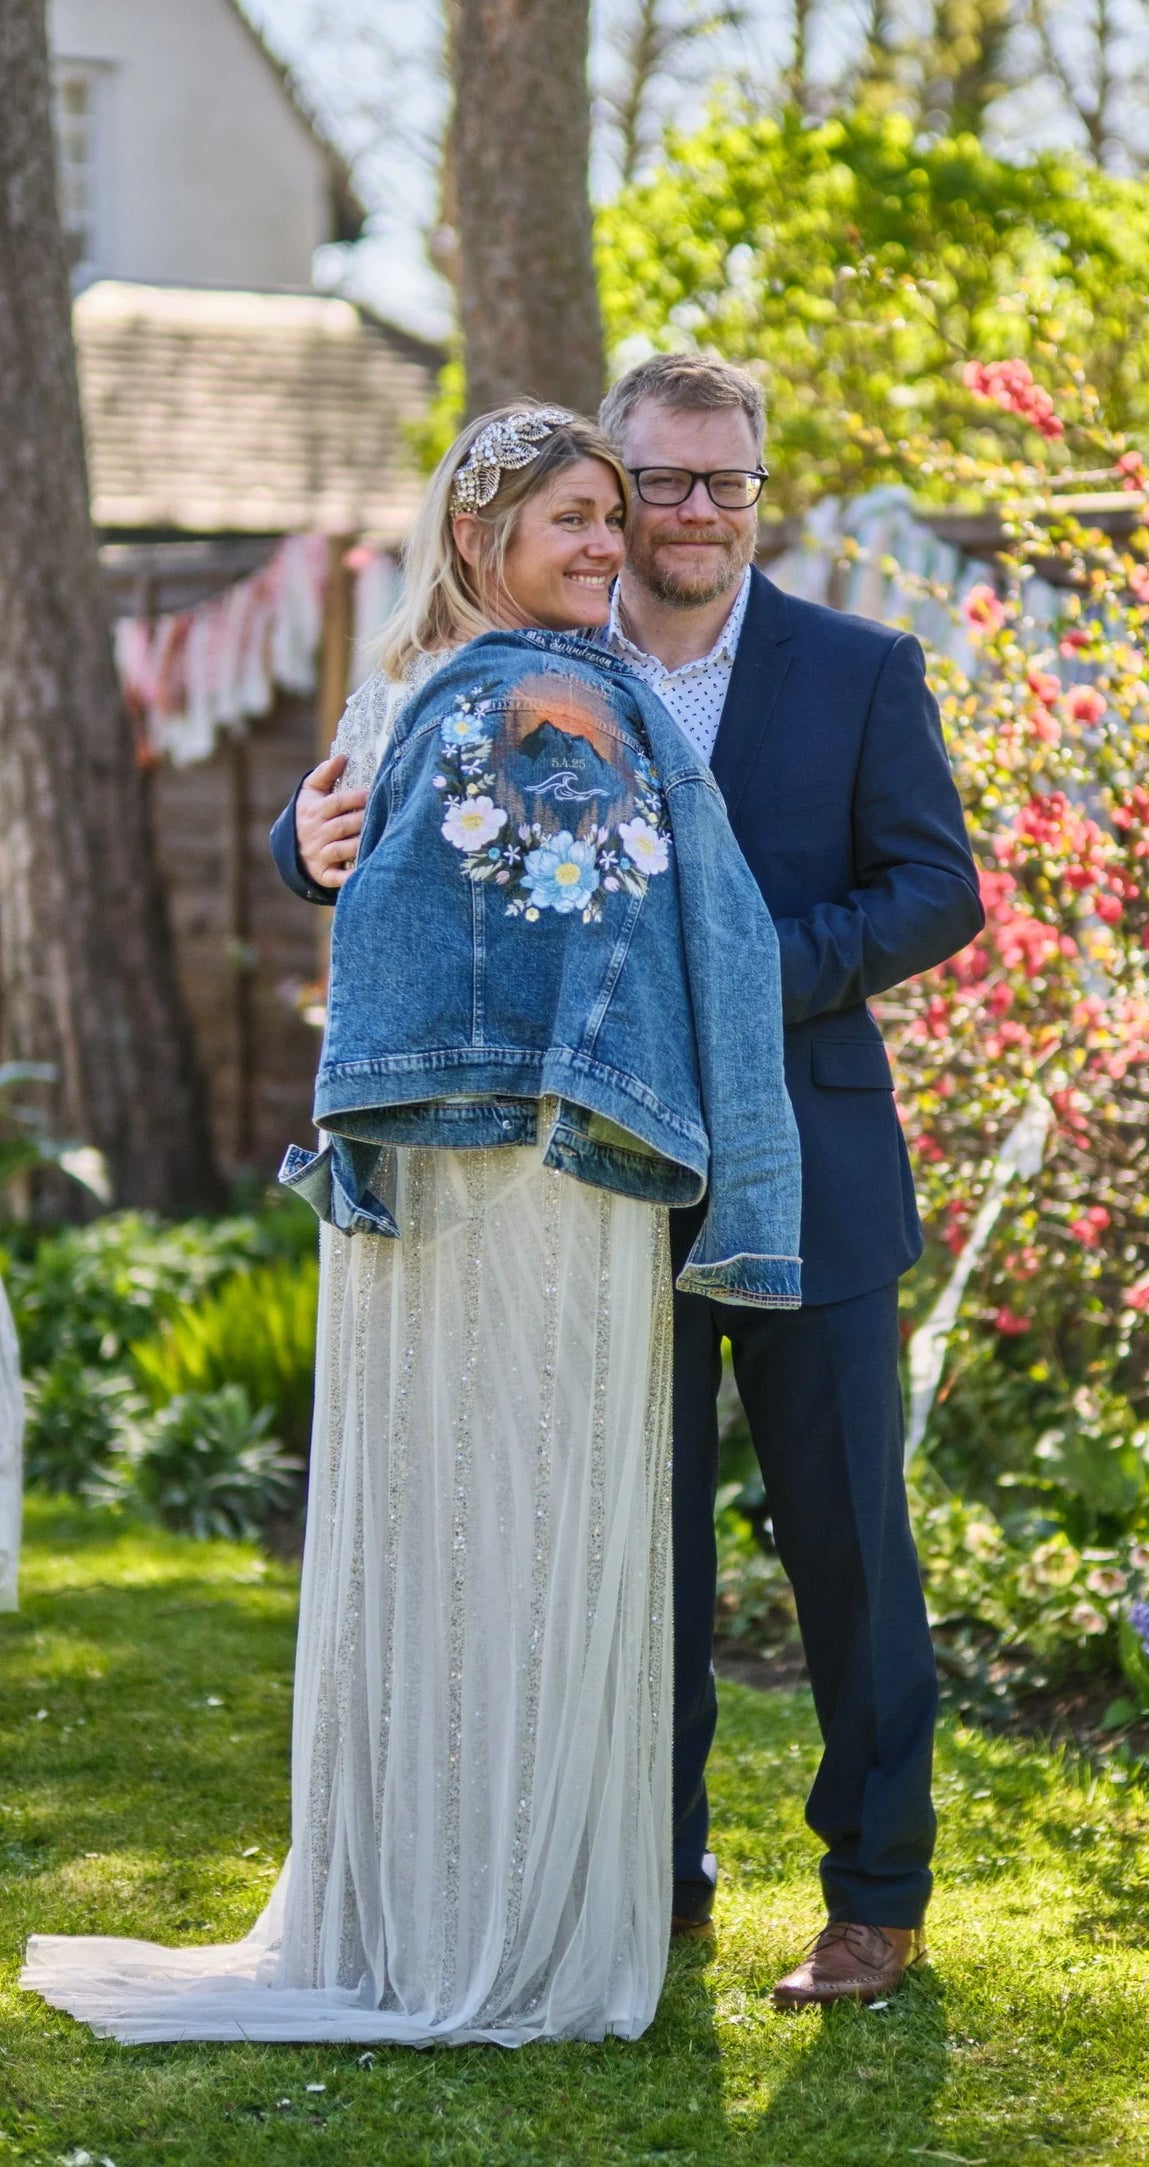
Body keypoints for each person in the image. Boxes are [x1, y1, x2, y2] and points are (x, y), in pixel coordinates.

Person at [21, 403, 800, 2047]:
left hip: (542, 1169)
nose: (608, 543)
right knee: (450, 1516)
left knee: (535, 1516)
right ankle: (447, 1912)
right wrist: (308, 855)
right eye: (574, 517)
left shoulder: (585, 691)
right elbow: (379, 873)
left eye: (613, 517)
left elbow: (549, 910)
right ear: (476, 534)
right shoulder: (443, 692)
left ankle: (512, 1897)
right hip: (486, 1173)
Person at [275, 356, 983, 2009]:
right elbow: (408, 852)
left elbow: (934, 890)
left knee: (848, 1553)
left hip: (809, 1171)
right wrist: (295, 849)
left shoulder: (857, 670)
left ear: (757, 493)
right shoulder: (534, 664)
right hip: (592, 1199)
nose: (686, 514)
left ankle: (874, 1898)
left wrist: (723, 983)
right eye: (656, 482)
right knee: (623, 1554)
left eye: (723, 482)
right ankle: (646, 1884)